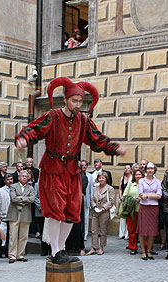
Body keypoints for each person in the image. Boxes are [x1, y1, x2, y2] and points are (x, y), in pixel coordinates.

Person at [15, 77, 124, 264]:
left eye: (81, 101)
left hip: (72, 170)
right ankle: (55, 250)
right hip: (53, 168)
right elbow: (35, 129)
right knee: (56, 210)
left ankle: (61, 248)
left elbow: (97, 139)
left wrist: (113, 148)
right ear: (65, 99)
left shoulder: (83, 120)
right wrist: (24, 138)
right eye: (74, 100)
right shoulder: (53, 116)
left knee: (72, 211)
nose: (78, 104)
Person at [7, 170, 35, 262]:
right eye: (22, 176)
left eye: (26, 176)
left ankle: (20, 254)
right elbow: (14, 198)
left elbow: (32, 199)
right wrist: (25, 200)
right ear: (19, 177)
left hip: (26, 214)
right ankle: (12, 255)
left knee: (24, 235)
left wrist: (22, 198)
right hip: (14, 213)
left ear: (28, 178)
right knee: (13, 235)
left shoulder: (30, 188)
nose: (24, 177)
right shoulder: (13, 186)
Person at [137, 163, 162, 260]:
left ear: (154, 170)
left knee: (152, 230)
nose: (150, 170)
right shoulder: (142, 181)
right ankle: (143, 251)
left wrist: (147, 195)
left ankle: (148, 250)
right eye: (148, 168)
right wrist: (152, 195)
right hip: (144, 207)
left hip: (154, 208)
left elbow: (159, 195)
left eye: (152, 168)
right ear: (145, 170)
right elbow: (140, 194)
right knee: (142, 230)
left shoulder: (158, 181)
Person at [89, 172, 116, 255]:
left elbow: (111, 201)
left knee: (103, 230)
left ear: (106, 179)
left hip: (104, 212)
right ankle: (93, 247)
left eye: (103, 178)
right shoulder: (95, 188)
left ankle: (101, 247)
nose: (101, 179)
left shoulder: (110, 188)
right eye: (100, 178)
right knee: (94, 230)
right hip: (95, 211)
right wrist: (94, 206)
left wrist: (103, 208)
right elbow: (92, 199)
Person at [121, 168, 143, 254]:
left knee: (143, 230)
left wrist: (141, 199)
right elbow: (124, 195)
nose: (138, 176)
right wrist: (132, 199)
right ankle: (133, 247)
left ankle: (145, 248)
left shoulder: (145, 184)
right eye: (136, 175)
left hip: (142, 210)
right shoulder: (131, 184)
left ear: (142, 176)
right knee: (131, 229)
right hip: (131, 210)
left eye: (139, 175)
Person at [0, 174, 13, 258]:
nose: (10, 181)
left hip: (13, 215)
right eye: (8, 179)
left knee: (11, 234)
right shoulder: (1, 190)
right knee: (3, 234)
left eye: (11, 179)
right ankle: (2, 251)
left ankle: (9, 251)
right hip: (4, 215)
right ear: (5, 181)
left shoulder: (14, 189)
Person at [118, 164, 133, 240]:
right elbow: (120, 188)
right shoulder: (122, 178)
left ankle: (127, 234)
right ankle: (121, 234)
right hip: (122, 199)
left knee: (128, 217)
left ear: (131, 169)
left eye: (128, 168)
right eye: (125, 168)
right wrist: (120, 196)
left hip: (129, 199)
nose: (126, 169)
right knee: (122, 216)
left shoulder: (132, 178)